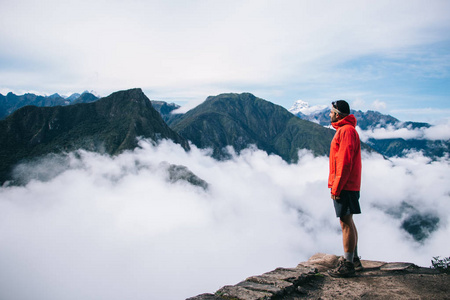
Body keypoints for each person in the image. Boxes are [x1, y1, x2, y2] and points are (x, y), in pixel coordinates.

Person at [327, 100, 363, 278]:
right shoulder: (345, 130)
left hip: (345, 185)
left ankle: (348, 264)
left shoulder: (346, 131)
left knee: (345, 222)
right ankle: (354, 260)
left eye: (331, 112)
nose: (329, 115)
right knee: (348, 221)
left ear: (338, 114)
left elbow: (345, 162)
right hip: (348, 184)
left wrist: (337, 187)